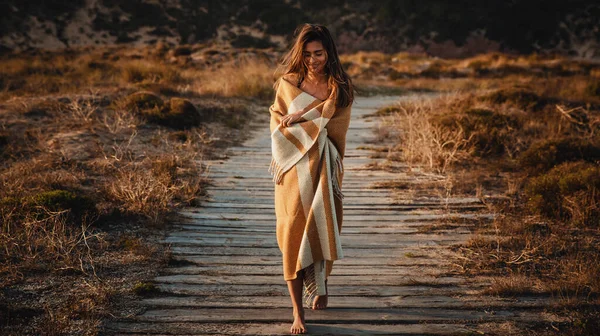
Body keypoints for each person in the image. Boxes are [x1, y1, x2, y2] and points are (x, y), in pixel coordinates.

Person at [268, 23, 354, 334]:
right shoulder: (289, 83)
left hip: (324, 169)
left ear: (329, 52)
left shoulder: (339, 88)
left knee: (323, 223)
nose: (312, 60)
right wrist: (307, 121)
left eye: (318, 53)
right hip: (293, 171)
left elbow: (336, 130)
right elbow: (279, 125)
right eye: (306, 54)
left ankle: (321, 282)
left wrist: (305, 116)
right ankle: (297, 313)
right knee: (292, 230)